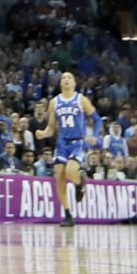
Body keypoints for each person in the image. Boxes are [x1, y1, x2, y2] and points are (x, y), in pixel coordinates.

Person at [34, 72, 98, 228]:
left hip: (77, 141)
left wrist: (94, 136)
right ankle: (68, 215)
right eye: (64, 78)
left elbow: (96, 119)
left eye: (70, 77)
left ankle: (79, 183)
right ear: (60, 83)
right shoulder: (54, 102)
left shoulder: (81, 99)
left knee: (70, 171)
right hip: (62, 142)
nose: (67, 80)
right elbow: (51, 127)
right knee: (59, 175)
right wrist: (43, 134)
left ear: (74, 83)